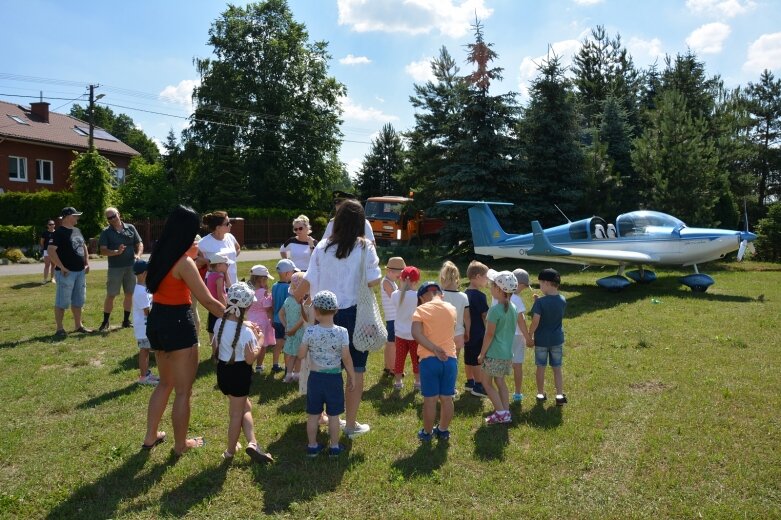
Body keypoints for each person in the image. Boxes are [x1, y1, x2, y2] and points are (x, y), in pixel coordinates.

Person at [142, 205, 225, 456]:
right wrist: (236, 317)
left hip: (157, 320)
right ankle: (180, 445)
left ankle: (150, 437)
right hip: (178, 322)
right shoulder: (183, 261)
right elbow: (208, 301)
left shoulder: (158, 254)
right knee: (183, 390)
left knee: (164, 383)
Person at [298, 199, 382, 439]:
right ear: (360, 222)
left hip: (323, 313)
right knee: (355, 370)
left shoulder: (322, 246)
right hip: (355, 313)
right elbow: (374, 280)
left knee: (322, 366)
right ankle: (350, 424)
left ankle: (323, 415)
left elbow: (310, 278)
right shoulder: (365, 247)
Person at [213, 281, 274, 463]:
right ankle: (230, 451)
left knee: (245, 407)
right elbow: (249, 359)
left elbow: (216, 346)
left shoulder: (219, 323)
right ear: (247, 305)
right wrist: (261, 338)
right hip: (240, 374)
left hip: (223, 372)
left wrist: (247, 325)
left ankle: (252, 442)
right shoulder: (246, 334)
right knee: (236, 415)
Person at [297, 290, 355, 457]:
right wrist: (351, 376)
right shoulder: (342, 332)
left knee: (313, 415)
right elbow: (346, 357)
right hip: (334, 379)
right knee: (334, 415)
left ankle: (312, 446)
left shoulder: (310, 332)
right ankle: (335, 447)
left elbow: (301, 355)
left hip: (315, 378)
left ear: (315, 311)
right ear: (336, 310)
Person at [479, 270, 531, 425]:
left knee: (486, 383)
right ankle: (506, 412)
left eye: (492, 286)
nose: (490, 288)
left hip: (494, 353)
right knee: (500, 382)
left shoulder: (494, 310)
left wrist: (482, 354)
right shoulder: (514, 307)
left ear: (499, 290)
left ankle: (501, 412)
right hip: (507, 353)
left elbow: (489, 335)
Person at [411, 282, 457, 442]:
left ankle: (427, 432)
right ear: (441, 294)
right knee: (447, 398)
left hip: (429, 361)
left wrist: (433, 348)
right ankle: (443, 430)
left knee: (430, 399)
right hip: (450, 360)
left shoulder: (421, 309)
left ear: (422, 297)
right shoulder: (451, 309)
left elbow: (415, 333)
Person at [48, 207, 91, 337]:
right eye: (75, 215)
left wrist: (87, 263)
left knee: (79, 300)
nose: (77, 218)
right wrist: (62, 267)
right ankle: (60, 329)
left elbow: (83, 246)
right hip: (66, 273)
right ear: (67, 217)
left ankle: (79, 326)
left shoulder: (77, 230)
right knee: (62, 301)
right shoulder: (59, 233)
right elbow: (51, 250)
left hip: (80, 272)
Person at [98, 207, 143, 331]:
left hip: (130, 266)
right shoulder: (106, 232)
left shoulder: (130, 228)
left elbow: (139, 243)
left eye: (114, 216)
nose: (112, 219)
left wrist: (138, 255)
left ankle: (126, 321)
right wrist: (116, 252)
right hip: (115, 268)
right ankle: (105, 322)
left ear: (119, 214)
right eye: (109, 218)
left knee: (129, 293)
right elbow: (103, 250)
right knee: (111, 294)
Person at [529, 268, 568, 406]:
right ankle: (559, 395)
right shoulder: (562, 300)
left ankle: (540, 394)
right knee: (557, 368)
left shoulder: (540, 303)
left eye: (540, 284)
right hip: (557, 339)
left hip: (541, 341)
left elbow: (535, 321)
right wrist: (539, 301)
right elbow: (551, 307)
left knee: (541, 367)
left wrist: (529, 334)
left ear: (546, 283)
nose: (540, 287)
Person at [391, 266, 422, 390]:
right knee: (416, 359)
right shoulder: (418, 296)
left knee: (399, 358)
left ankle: (398, 382)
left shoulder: (394, 295)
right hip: (415, 334)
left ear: (401, 279)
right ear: (416, 282)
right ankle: (418, 382)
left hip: (399, 333)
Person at [464, 260, 489, 397]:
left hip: (466, 332)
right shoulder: (480, 296)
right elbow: (485, 315)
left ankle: (469, 382)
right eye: (486, 277)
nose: (487, 281)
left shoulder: (464, 293)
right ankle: (479, 385)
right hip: (478, 332)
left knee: (468, 357)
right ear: (478, 277)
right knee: (478, 359)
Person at [132, 259, 158, 385]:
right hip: (143, 328)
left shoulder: (143, 289)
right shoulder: (140, 292)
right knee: (144, 350)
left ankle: (146, 374)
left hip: (146, 327)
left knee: (146, 349)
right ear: (143, 274)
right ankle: (143, 377)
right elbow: (146, 311)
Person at [197, 211, 240, 285]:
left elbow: (238, 248)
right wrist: (208, 261)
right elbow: (194, 258)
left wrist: (231, 257)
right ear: (218, 228)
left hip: (233, 282)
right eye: (227, 223)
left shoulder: (230, 237)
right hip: (215, 285)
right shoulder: (203, 243)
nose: (230, 225)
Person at [271, 259, 298, 374]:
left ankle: (275, 364)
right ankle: (288, 368)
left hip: (276, 319)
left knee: (278, 343)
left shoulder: (274, 286)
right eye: (293, 272)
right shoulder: (288, 288)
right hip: (285, 321)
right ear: (287, 273)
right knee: (287, 345)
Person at [380, 257, 406, 378]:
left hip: (394, 317)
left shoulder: (392, 282)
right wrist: (401, 285)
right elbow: (395, 298)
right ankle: (392, 368)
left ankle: (387, 366)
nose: (401, 276)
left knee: (390, 343)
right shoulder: (386, 282)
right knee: (392, 344)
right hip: (392, 318)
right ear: (389, 271)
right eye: (399, 274)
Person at [280, 271, 308, 382]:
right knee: (299, 356)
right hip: (299, 332)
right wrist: (293, 329)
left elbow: (280, 314)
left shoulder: (288, 300)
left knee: (291, 355)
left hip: (290, 332)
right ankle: (297, 375)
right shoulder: (302, 302)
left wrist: (286, 326)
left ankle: (288, 375)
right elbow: (303, 319)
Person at [247, 264, 276, 373]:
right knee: (262, 345)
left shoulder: (248, 291)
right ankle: (259, 366)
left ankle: (248, 364)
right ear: (261, 279)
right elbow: (268, 308)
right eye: (266, 279)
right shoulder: (263, 293)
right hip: (262, 321)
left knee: (251, 344)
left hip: (250, 320)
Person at [439, 260, 470, 360]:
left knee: (441, 360)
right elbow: (467, 318)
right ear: (457, 278)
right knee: (454, 361)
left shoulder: (439, 295)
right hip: (458, 333)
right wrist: (468, 332)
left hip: (441, 334)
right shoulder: (464, 296)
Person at [510, 269, 531, 402]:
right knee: (517, 363)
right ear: (518, 284)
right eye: (523, 287)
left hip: (501, 335)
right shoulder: (516, 299)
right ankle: (517, 393)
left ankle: (499, 389)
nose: (523, 290)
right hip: (517, 335)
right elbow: (521, 321)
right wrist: (528, 337)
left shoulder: (497, 296)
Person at [205, 252, 231, 346]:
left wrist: (225, 272)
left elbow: (229, 286)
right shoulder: (219, 276)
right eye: (226, 264)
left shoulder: (211, 275)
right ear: (219, 265)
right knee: (221, 329)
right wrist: (225, 308)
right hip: (219, 306)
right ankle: (219, 353)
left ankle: (214, 353)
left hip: (213, 306)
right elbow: (221, 295)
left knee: (212, 329)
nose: (228, 265)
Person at [40, 219, 56, 284]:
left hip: (54, 251)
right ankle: (45, 279)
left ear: (54, 225)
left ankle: (52, 278)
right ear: (47, 225)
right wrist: (44, 249)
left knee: (53, 265)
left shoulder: (56, 233)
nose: (51, 226)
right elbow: (42, 242)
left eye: (52, 224)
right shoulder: (45, 233)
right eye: (50, 224)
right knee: (47, 265)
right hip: (46, 251)